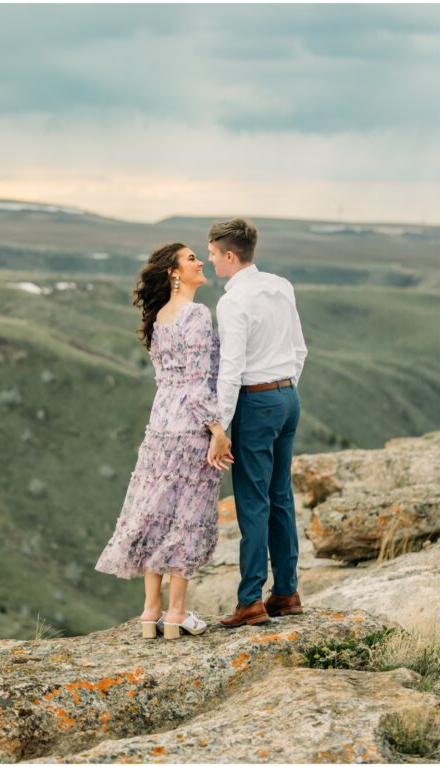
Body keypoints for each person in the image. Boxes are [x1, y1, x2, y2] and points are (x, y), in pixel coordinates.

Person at [95, 242, 232, 640]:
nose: (200, 262)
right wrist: (217, 430)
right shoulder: (196, 314)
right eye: (191, 259)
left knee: (156, 513)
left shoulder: (159, 318)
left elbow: (170, 381)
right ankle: (176, 613)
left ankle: (149, 612)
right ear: (174, 273)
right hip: (190, 428)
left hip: (159, 427)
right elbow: (196, 383)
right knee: (187, 517)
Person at [205, 218, 308, 629]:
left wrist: (219, 427)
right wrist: (284, 388)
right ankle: (286, 592)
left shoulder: (232, 303)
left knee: (252, 501)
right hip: (287, 397)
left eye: (212, 253)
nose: (210, 260)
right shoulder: (282, 286)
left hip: (255, 401)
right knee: (280, 495)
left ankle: (251, 600)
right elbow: (299, 348)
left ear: (230, 255)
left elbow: (230, 370)